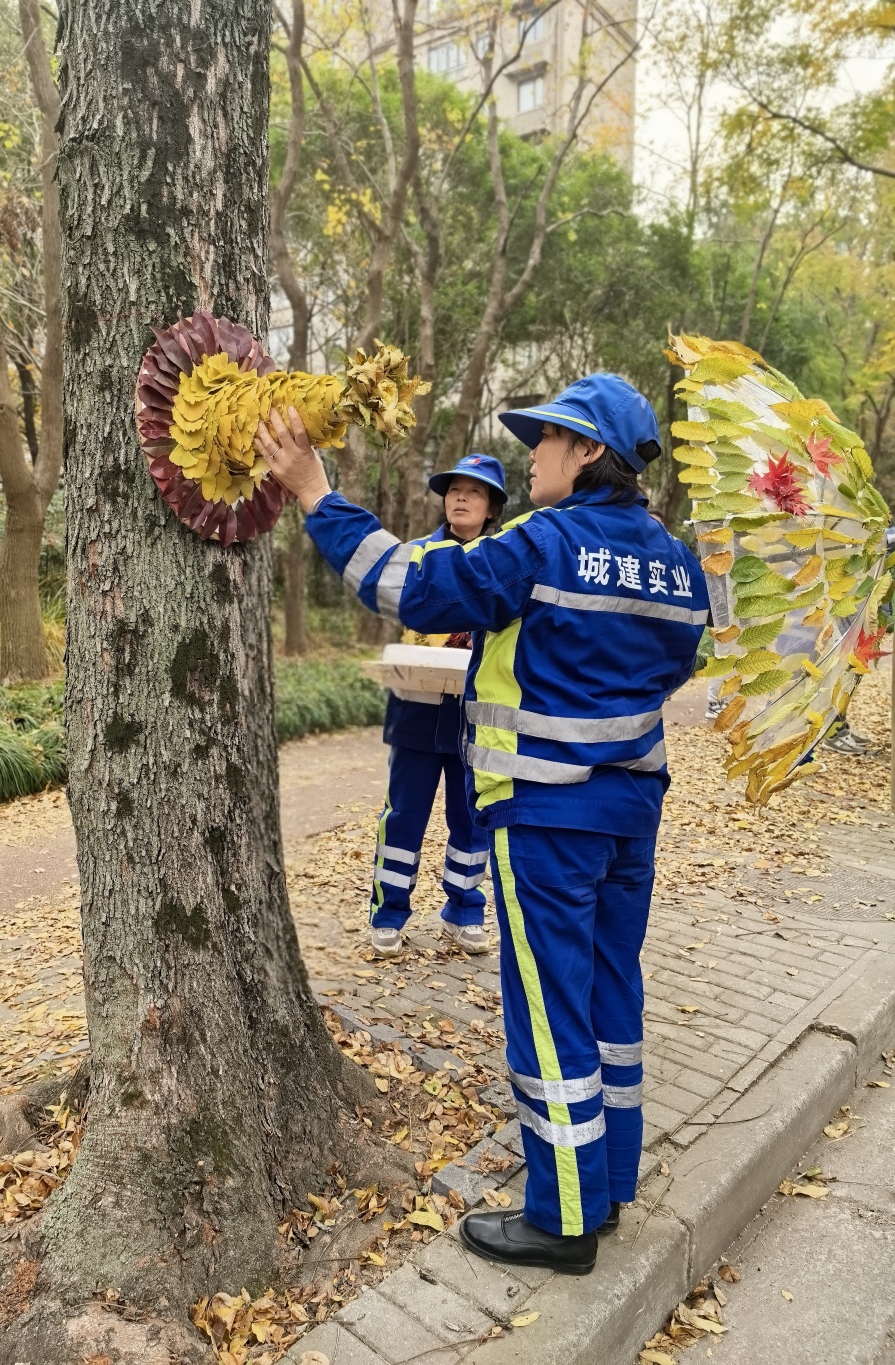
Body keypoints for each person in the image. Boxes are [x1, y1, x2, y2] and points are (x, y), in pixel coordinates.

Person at [256, 374, 708, 1275]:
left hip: (546, 815)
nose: (530, 451)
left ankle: (563, 1217)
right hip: (631, 812)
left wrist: (314, 492)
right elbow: (680, 657)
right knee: (611, 997)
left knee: (547, 1017)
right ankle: (610, 1180)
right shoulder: (674, 557)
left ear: (588, 455)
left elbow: (414, 588)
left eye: (548, 437)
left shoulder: (546, 539)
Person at [370, 454, 507, 960]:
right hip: (417, 707)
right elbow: (396, 605)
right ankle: (388, 913)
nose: (461, 497)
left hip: (477, 716)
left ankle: (465, 911)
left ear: (492, 506)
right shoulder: (418, 554)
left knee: (471, 819)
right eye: (454, 489)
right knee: (404, 814)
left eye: (475, 491)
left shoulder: (504, 559)